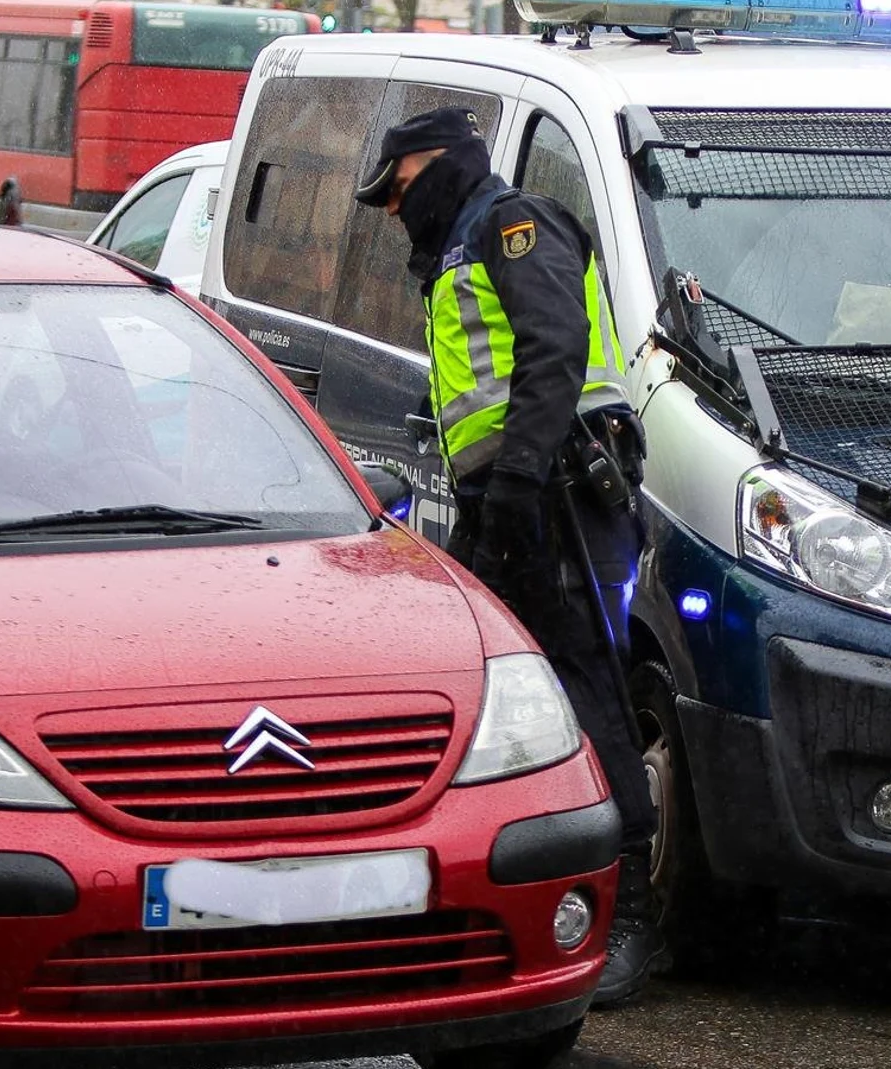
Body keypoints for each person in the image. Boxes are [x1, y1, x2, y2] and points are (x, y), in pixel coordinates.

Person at [354, 107, 664, 1007]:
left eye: (399, 188)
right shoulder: (456, 251)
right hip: (510, 496)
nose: (390, 209)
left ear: (443, 165)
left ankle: (628, 909)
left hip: (558, 490)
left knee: (585, 683)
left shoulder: (510, 225)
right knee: (477, 687)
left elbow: (556, 351)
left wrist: (522, 485)